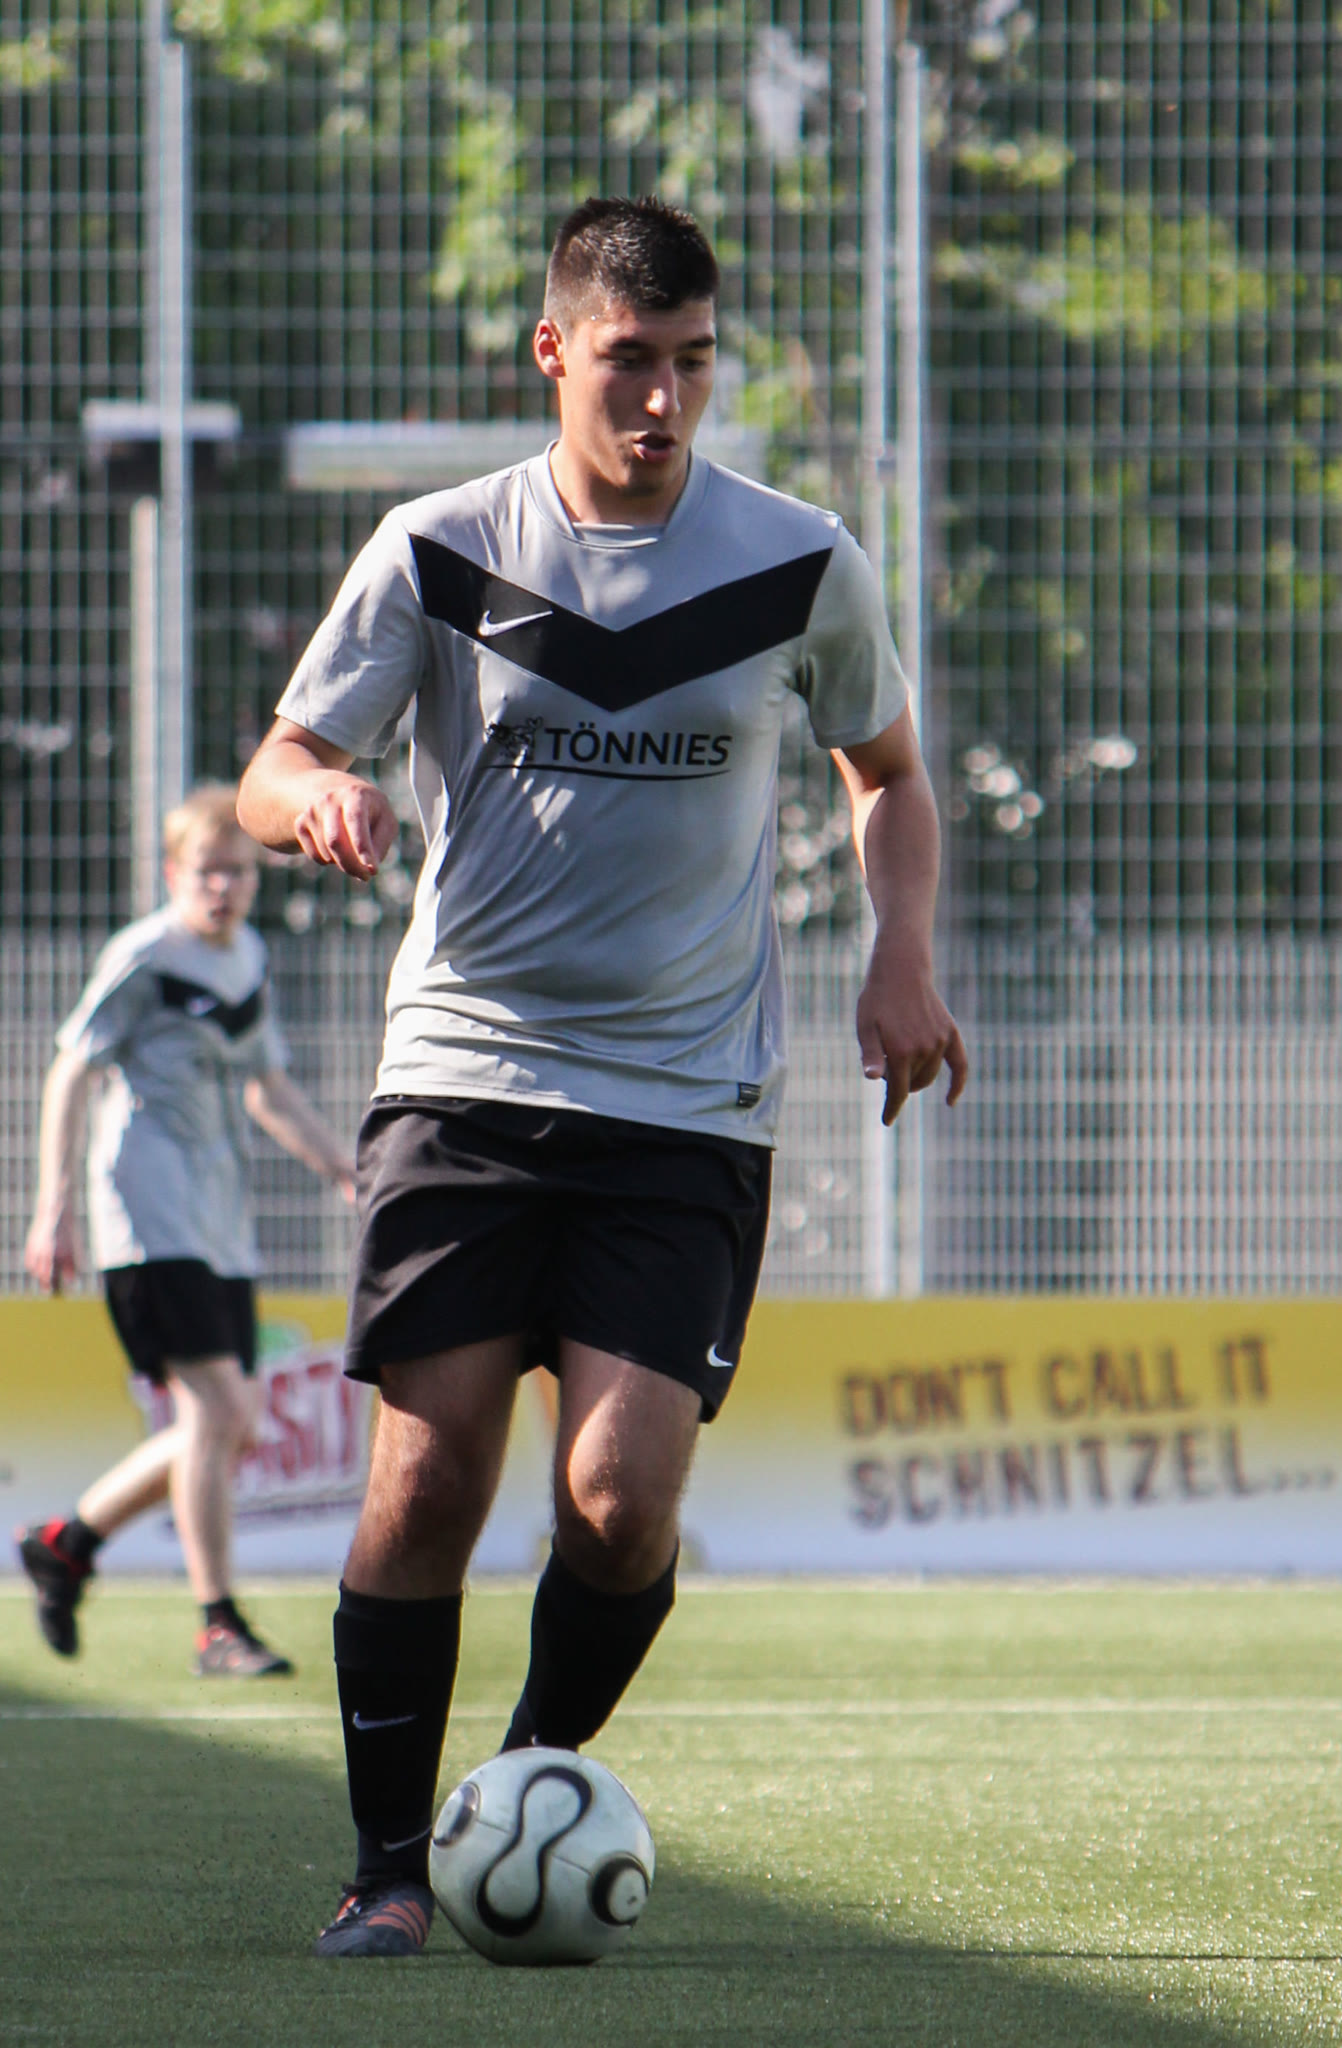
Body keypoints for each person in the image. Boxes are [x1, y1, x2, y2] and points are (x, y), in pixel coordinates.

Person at [236, 194, 969, 1957]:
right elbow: (277, 757)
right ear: (553, 350)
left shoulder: (796, 560)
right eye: (631, 360)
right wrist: (317, 794)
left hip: (684, 1098)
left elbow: (888, 773)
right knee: (424, 1486)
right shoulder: (439, 549)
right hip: (465, 1076)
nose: (664, 399)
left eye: (694, 362)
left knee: (622, 1506)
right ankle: (386, 1867)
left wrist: (901, 953)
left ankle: (521, 1788)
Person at [17, 783, 357, 1677]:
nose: (223, 887)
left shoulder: (247, 956)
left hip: (218, 1224)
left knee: (230, 1427)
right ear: (175, 874)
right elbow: (71, 1070)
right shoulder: (145, 955)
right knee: (223, 1413)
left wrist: (343, 1168)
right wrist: (54, 1206)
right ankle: (217, 1625)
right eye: (207, 871)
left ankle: (66, 1542)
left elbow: (266, 1087)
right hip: (146, 1213)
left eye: (238, 871)